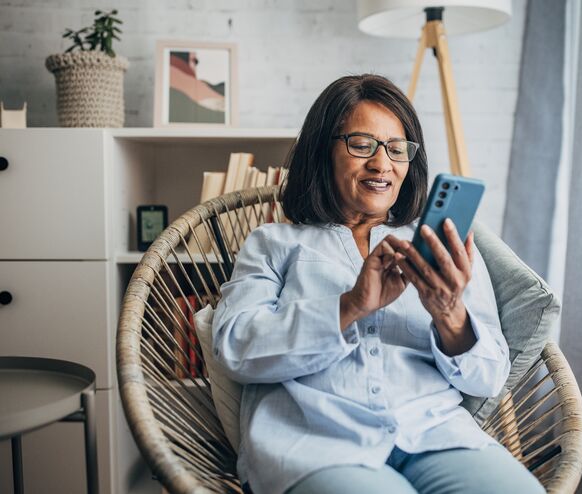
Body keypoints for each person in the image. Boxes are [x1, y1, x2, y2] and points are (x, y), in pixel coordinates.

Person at [212, 74, 544, 494]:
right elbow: (235, 348)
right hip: (317, 443)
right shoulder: (273, 243)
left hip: (435, 435)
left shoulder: (439, 246)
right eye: (362, 145)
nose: (382, 164)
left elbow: (490, 377)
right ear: (322, 151)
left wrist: (450, 314)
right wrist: (350, 306)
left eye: (396, 148)